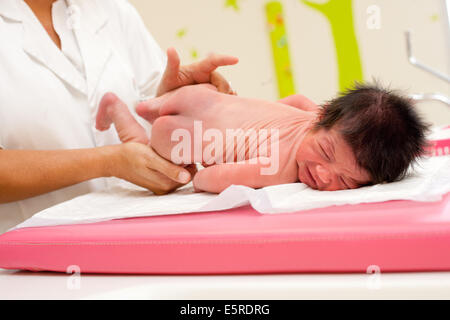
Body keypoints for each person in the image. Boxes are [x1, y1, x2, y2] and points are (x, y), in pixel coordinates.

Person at [0, 0, 237, 233]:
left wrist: (174, 97)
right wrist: (109, 162)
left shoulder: (112, 10)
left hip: (134, 237)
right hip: (24, 260)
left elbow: (147, 101)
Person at [96, 82, 429, 193]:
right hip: (180, 139)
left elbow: (296, 100)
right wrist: (194, 175)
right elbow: (210, 180)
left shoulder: (311, 116)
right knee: (156, 164)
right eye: (326, 152)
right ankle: (119, 113)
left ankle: (148, 106)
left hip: (197, 96)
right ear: (323, 118)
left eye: (345, 181)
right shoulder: (275, 169)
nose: (324, 174)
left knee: (166, 115)